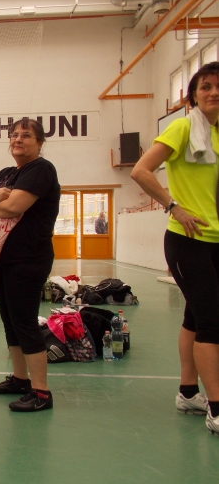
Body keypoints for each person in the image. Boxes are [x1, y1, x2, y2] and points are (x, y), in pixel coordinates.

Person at [131, 62, 219, 436]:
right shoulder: (183, 128)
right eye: (206, 86)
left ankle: (187, 393)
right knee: (212, 322)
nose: (214, 92)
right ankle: (216, 408)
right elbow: (140, 171)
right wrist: (173, 206)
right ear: (193, 95)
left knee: (195, 318)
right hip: (187, 240)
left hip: (216, 240)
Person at [0, 118, 60, 412]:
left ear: (40, 142)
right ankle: (21, 380)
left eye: (26, 135)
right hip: (3, 259)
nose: (18, 139)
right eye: (14, 135)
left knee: (24, 322)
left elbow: (13, 207)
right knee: (10, 321)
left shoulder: (41, 169)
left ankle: (41, 393)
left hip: (29, 258)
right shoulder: (6, 174)